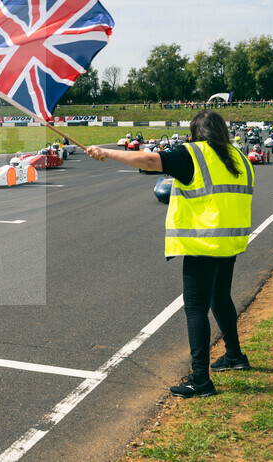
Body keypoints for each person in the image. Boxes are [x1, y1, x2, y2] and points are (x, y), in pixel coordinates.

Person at [85, 110, 254, 398]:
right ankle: (235, 355)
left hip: (203, 244)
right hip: (229, 242)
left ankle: (200, 380)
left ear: (195, 133)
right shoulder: (238, 156)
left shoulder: (194, 154)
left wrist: (107, 153)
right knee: (220, 297)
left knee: (196, 309)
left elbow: (150, 161)